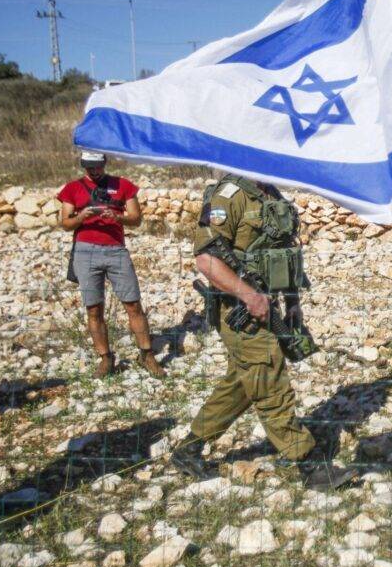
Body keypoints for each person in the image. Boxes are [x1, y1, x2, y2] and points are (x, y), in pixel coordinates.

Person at [168, 173, 356, 490]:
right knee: (269, 380)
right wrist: (248, 295)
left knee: (244, 383)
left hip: (269, 306)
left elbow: (284, 254)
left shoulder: (270, 194)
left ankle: (188, 449)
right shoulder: (229, 196)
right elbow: (206, 260)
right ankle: (309, 464)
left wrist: (293, 302)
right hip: (240, 310)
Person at [57, 150, 165, 379]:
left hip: (116, 249)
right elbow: (65, 223)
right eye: (89, 167)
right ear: (83, 165)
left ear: (104, 163)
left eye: (97, 166)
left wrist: (118, 217)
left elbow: (136, 219)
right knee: (93, 308)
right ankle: (105, 358)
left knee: (133, 304)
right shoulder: (72, 189)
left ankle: (146, 354)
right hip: (85, 251)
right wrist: (82, 217)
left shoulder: (123, 185)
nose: (94, 171)